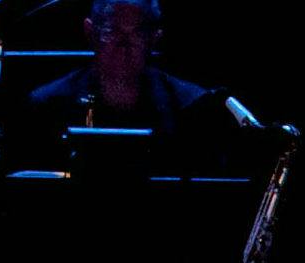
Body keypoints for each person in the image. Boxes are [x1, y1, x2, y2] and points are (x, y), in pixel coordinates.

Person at [18, 0, 254, 170]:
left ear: (154, 39)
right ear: (90, 32)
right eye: (112, 32)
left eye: (136, 34)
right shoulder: (47, 104)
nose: (124, 46)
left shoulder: (191, 107)